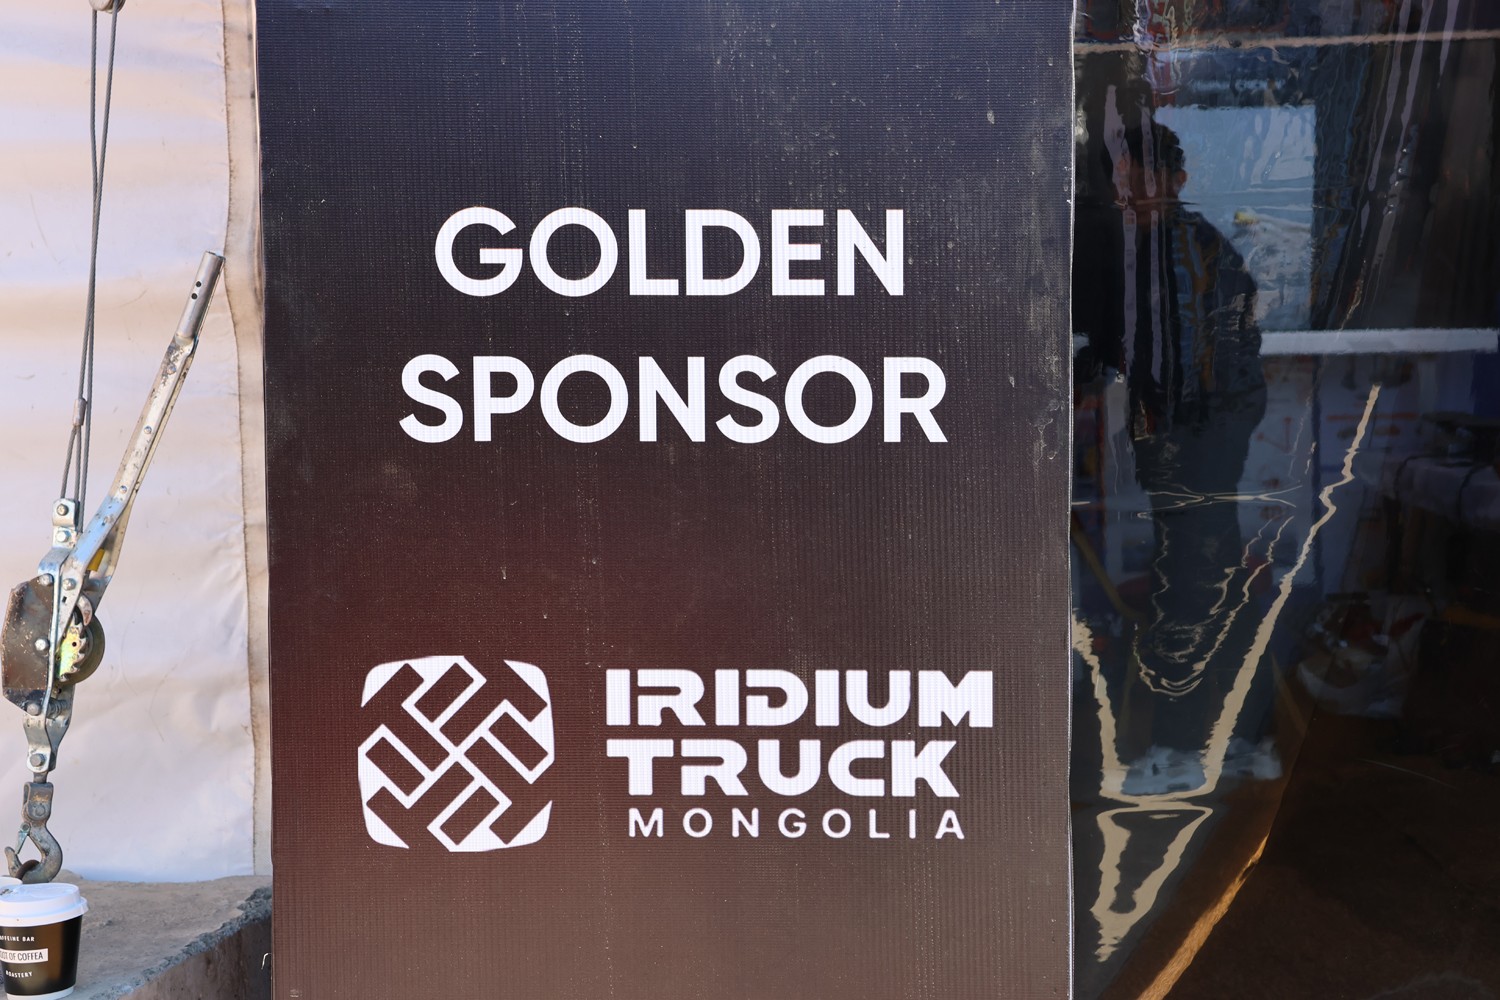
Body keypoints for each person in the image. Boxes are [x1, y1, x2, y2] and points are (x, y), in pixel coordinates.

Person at [1078, 121, 1268, 791]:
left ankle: (1185, 750)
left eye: (1144, 179)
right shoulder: (1149, 245)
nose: (1131, 192)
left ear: (1177, 181)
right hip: (1197, 435)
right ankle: (1241, 739)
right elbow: (1120, 343)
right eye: (1124, 180)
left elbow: (1188, 361)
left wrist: (1174, 436)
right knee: (1210, 577)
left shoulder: (1188, 252)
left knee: (1194, 582)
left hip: (1202, 437)